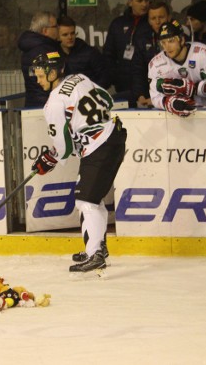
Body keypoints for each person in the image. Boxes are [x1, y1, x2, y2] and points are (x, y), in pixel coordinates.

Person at [29, 51, 127, 273]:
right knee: (94, 199)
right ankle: (96, 247)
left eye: (41, 76)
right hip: (115, 136)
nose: (38, 80)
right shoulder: (80, 78)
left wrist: (52, 157)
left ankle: (95, 255)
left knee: (85, 201)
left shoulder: (53, 103)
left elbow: (63, 145)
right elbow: (108, 99)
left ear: (53, 73)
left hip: (99, 146)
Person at [148, 20, 206, 117]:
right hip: (174, 116)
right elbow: (155, 97)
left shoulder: (203, 53)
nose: (167, 47)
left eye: (171, 41)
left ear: (182, 40)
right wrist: (171, 103)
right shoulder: (155, 64)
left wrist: (192, 88)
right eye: (163, 42)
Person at [102, 0, 152, 108]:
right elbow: (108, 54)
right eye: (139, 1)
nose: (144, 4)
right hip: (123, 85)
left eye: (146, 0)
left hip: (148, 87)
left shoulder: (152, 22)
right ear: (130, 2)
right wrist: (115, 76)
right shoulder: (118, 24)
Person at [132, 1, 172, 108]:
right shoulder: (142, 39)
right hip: (150, 96)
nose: (158, 22)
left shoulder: (180, 37)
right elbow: (138, 70)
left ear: (169, 17)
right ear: (149, 21)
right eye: (153, 18)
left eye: (161, 17)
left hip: (175, 95)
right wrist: (140, 95)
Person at [18, 11, 62, 108]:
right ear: (45, 31)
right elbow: (55, 80)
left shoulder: (30, 47)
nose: (59, 29)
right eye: (55, 26)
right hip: (47, 105)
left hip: (32, 103)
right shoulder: (47, 51)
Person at [57, 16, 106, 87]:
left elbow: (105, 77)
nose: (70, 37)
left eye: (72, 33)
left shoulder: (90, 53)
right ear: (58, 36)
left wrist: (93, 92)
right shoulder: (53, 53)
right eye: (65, 35)